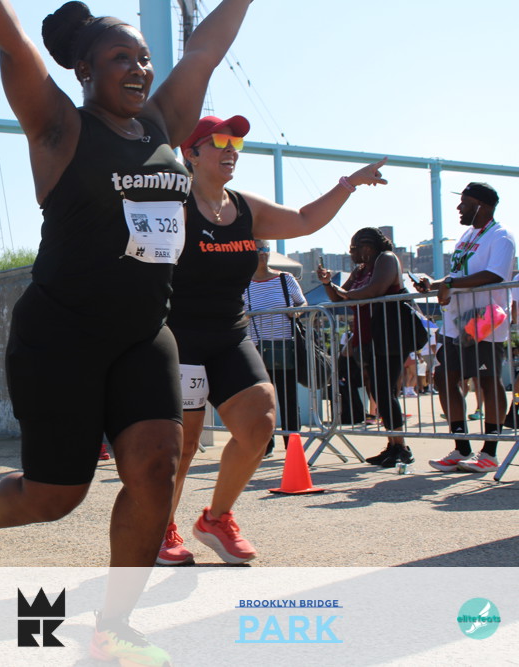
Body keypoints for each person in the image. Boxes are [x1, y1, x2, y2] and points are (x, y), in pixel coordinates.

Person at [0, 2, 251, 660]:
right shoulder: (59, 126)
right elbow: (9, 36)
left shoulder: (161, 123)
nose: (139, 69)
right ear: (84, 70)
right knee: (55, 496)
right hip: (61, 338)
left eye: (144, 59)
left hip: (143, 335)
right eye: (120, 59)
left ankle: (113, 629)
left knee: (157, 467)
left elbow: (204, 51)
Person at [158, 118, 388, 568]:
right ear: (190, 153)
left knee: (259, 423)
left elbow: (304, 219)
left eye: (236, 142)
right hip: (180, 339)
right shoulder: (175, 207)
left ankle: (216, 519)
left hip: (229, 334)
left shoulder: (245, 208)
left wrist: (350, 183)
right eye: (219, 141)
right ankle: (161, 526)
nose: (231, 149)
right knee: (182, 447)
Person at [418, 182, 516, 473]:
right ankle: (461, 448)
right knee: (443, 377)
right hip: (457, 322)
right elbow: (458, 275)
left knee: (487, 380)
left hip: (485, 321)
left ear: (481, 206)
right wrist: (435, 284)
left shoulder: (501, 236)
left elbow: (494, 275)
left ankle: (489, 453)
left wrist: (449, 283)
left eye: (464, 203)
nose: (459, 208)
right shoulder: (467, 235)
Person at [316, 228, 413, 468]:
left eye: (355, 248)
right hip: (367, 336)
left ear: (368, 247)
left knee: (385, 390)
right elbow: (339, 298)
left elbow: (375, 290)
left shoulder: (386, 259)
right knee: (377, 391)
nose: (352, 253)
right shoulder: (360, 269)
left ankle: (401, 447)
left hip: (389, 335)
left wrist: (344, 293)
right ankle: (392, 444)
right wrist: (328, 284)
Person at [243, 239, 307, 458]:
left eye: (265, 249)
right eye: (257, 249)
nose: (262, 253)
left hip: (284, 346)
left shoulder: (285, 279)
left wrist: (296, 311)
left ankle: (293, 446)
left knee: (289, 399)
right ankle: (266, 444)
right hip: (256, 349)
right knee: (262, 402)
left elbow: (302, 303)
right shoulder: (244, 283)